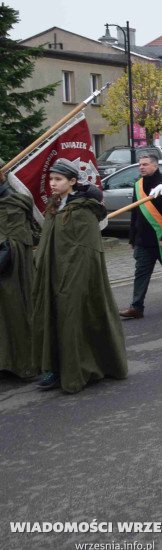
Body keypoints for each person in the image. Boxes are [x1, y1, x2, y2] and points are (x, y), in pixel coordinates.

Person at [32, 158, 127, 393]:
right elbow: (48, 240)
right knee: (51, 317)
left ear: (72, 181)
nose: (53, 183)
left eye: (58, 179)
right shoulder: (55, 205)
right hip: (52, 274)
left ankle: (80, 369)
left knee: (73, 317)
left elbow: (88, 250)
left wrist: (74, 275)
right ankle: (54, 368)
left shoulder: (83, 210)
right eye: (51, 179)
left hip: (77, 276)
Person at [119, 154, 162, 319]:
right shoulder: (138, 185)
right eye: (140, 165)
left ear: (155, 166)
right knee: (140, 274)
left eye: (145, 164)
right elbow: (135, 212)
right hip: (143, 239)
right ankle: (136, 307)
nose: (141, 167)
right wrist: (132, 237)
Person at [0, 159, 39, 380]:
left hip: (12, 272)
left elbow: (17, 240)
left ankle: (23, 364)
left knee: (15, 315)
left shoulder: (13, 203)